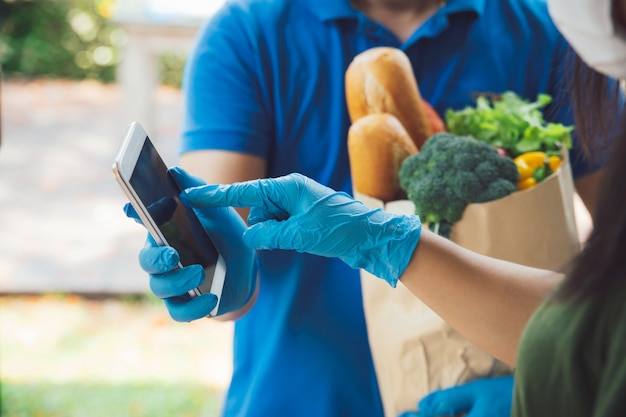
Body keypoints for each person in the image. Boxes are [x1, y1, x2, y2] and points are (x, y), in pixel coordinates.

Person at [142, 0, 626, 414]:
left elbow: (617, 253)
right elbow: (227, 257)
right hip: (305, 400)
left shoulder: (556, 28)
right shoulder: (249, 32)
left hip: (493, 395)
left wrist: (552, 377)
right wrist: (203, 270)